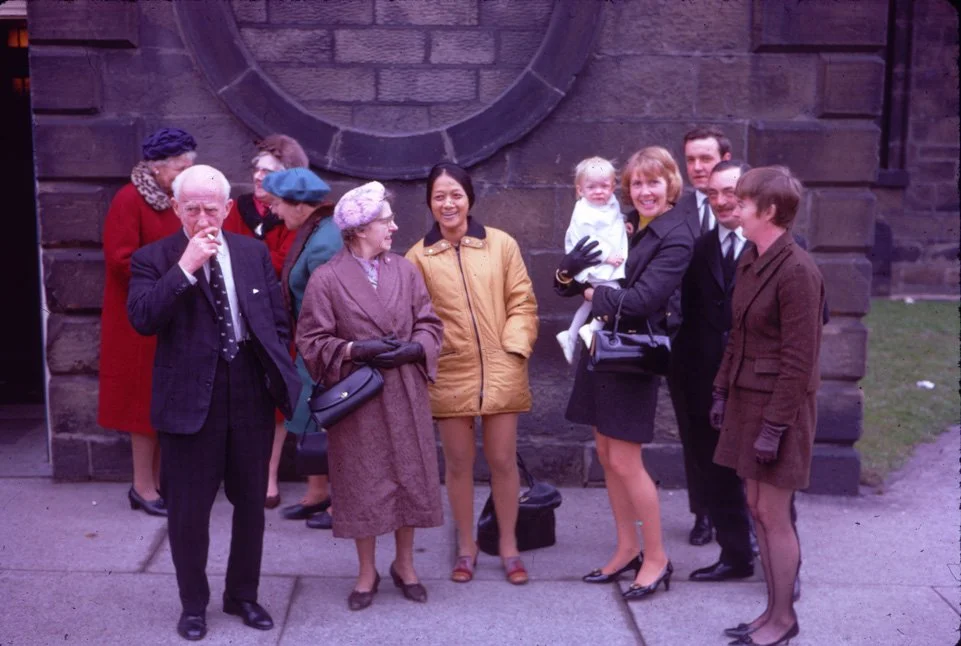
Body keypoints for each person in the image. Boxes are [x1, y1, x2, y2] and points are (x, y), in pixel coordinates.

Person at [127, 165, 301, 641]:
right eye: (192, 208)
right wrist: (186, 266)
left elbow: (275, 320)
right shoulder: (154, 258)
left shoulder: (251, 251)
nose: (202, 217)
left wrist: (277, 375)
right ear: (176, 208)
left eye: (211, 208)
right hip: (188, 401)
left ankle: (243, 595)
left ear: (227, 209)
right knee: (188, 511)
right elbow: (142, 318)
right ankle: (193, 604)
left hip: (248, 391)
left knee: (250, 505)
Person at [296, 181, 445, 611]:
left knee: (408, 476)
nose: (394, 228)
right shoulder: (327, 279)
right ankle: (366, 572)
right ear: (361, 229)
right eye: (386, 221)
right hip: (359, 395)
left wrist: (417, 347)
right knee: (362, 482)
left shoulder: (405, 270)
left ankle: (405, 565)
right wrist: (353, 350)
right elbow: (311, 340)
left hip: (404, 390)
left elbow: (429, 322)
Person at [555, 146, 693, 601]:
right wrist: (567, 273)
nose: (644, 191)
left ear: (670, 183)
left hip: (633, 355)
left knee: (626, 461)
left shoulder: (677, 234)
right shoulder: (619, 220)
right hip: (601, 345)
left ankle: (657, 559)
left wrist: (591, 291)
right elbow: (566, 284)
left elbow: (640, 301)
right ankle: (626, 548)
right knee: (606, 454)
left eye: (653, 182)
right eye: (636, 183)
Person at [406, 163, 539, 586]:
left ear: (470, 198)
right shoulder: (417, 257)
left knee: (502, 460)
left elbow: (522, 302)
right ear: (429, 202)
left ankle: (508, 545)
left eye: (455, 195)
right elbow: (415, 317)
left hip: (501, 367)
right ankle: (466, 546)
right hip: (449, 371)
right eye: (439, 196)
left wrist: (514, 349)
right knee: (458, 463)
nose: (448, 204)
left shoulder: (501, 245)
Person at [711, 166, 825, 646]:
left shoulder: (798, 270)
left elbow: (800, 363)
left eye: (744, 201)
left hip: (779, 411)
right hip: (747, 401)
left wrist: (774, 429)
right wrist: (720, 390)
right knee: (756, 507)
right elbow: (738, 335)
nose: (734, 207)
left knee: (774, 514)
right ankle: (769, 612)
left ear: (770, 210)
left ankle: (784, 619)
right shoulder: (753, 258)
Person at [98, 127, 196, 517]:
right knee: (143, 405)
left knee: (160, 401)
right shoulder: (128, 199)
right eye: (181, 168)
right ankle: (143, 487)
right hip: (138, 320)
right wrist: (172, 279)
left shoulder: (177, 199)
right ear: (157, 169)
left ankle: (153, 483)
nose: (187, 174)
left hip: (169, 312)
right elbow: (121, 259)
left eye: (191, 166)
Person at [674, 160, 755, 585]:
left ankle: (781, 566)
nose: (722, 202)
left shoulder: (774, 246)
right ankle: (735, 555)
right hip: (706, 383)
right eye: (714, 195)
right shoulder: (700, 247)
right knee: (717, 472)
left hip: (756, 385)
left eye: (732, 192)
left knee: (765, 478)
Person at [222, 135, 310, 511]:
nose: (258, 176)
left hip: (276, 314)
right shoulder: (235, 210)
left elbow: (284, 262)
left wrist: (248, 263)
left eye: (269, 171)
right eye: (256, 169)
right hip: (231, 312)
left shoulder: (292, 213)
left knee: (274, 397)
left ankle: (268, 474)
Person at [260, 167, 343, 530]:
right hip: (311, 345)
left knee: (332, 424)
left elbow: (332, 305)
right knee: (312, 418)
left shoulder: (325, 241)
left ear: (299, 206)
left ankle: (341, 505)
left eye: (278, 204)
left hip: (326, 349)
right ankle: (317, 494)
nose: (274, 212)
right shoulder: (314, 231)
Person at [669, 126, 732, 546]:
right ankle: (703, 513)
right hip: (687, 345)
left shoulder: (742, 207)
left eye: (705, 159)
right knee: (693, 432)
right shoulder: (676, 210)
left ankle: (736, 513)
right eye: (690, 160)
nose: (697, 168)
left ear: (724, 158)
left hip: (730, 344)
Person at [555, 156, 628, 364]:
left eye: (604, 186)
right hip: (593, 261)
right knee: (611, 292)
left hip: (603, 261)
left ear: (613, 186)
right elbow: (590, 240)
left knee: (590, 301)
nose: (599, 191)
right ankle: (592, 327)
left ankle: (570, 334)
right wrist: (607, 256)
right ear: (580, 190)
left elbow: (612, 221)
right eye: (591, 187)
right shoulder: (584, 212)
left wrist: (624, 222)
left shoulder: (608, 203)